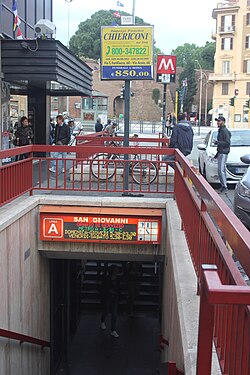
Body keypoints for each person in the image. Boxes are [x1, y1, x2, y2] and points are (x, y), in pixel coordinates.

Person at [100, 265, 120, 338]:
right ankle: (102, 321)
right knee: (106, 311)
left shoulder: (118, 279)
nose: (116, 271)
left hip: (114, 297)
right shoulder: (107, 279)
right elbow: (103, 288)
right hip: (107, 297)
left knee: (114, 314)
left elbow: (119, 288)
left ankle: (113, 330)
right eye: (115, 270)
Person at [213, 116, 231, 193]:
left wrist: (218, 142)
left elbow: (227, 143)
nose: (218, 122)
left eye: (219, 121)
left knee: (221, 170)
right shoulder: (221, 130)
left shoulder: (224, 131)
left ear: (223, 122)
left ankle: (224, 186)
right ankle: (223, 185)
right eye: (217, 121)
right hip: (221, 152)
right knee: (220, 170)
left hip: (223, 152)